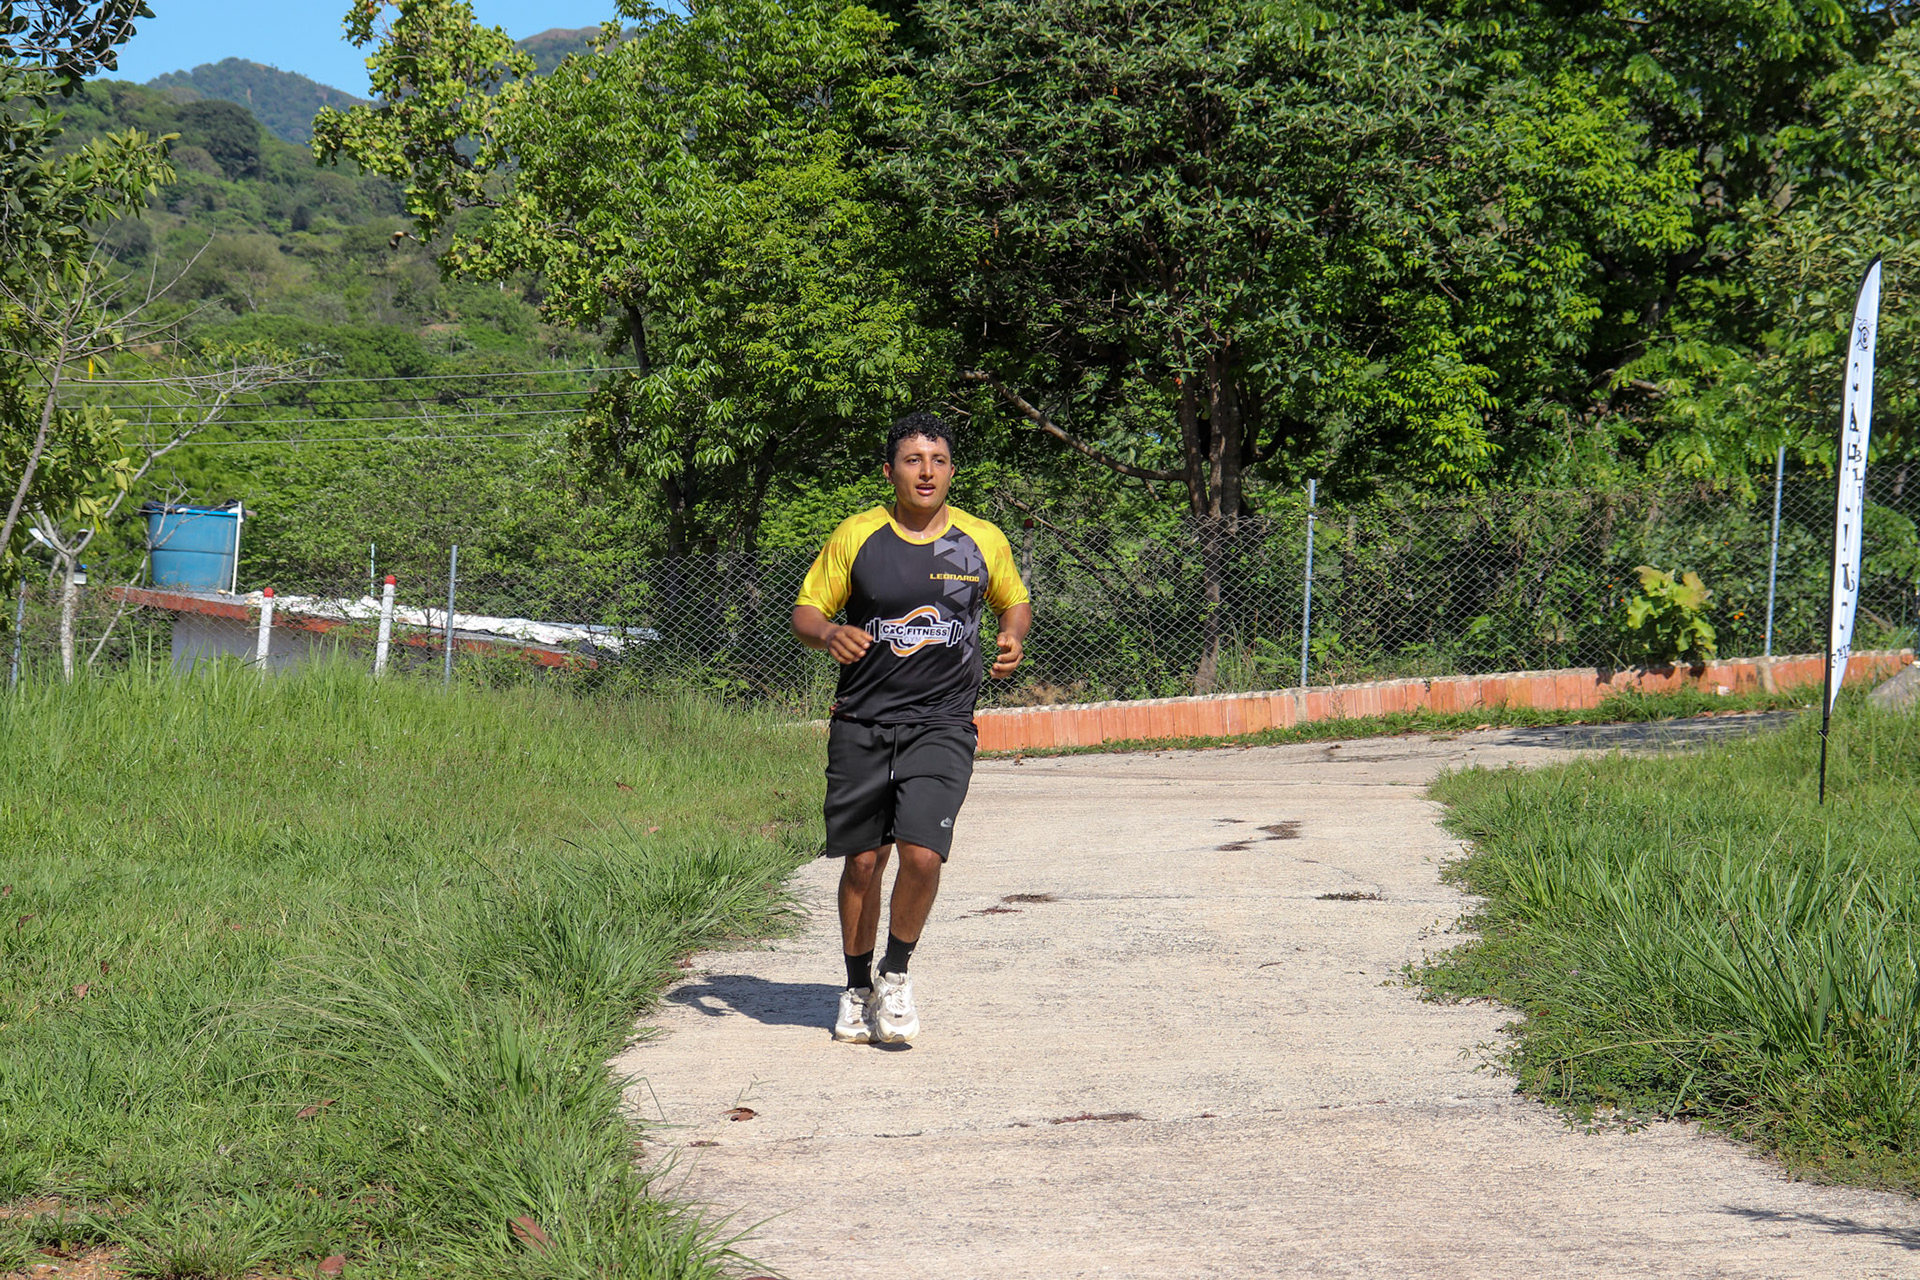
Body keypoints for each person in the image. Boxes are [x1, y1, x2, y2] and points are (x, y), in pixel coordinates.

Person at [791, 411, 1032, 1044]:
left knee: (922, 854)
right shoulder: (858, 535)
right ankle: (856, 987)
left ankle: (894, 975)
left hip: (942, 722)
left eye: (938, 460)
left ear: (951, 470)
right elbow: (807, 610)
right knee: (863, 863)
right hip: (863, 720)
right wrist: (829, 632)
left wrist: (1012, 634)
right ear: (890, 471)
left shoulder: (980, 540)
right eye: (912, 460)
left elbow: (1014, 599)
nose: (927, 471)